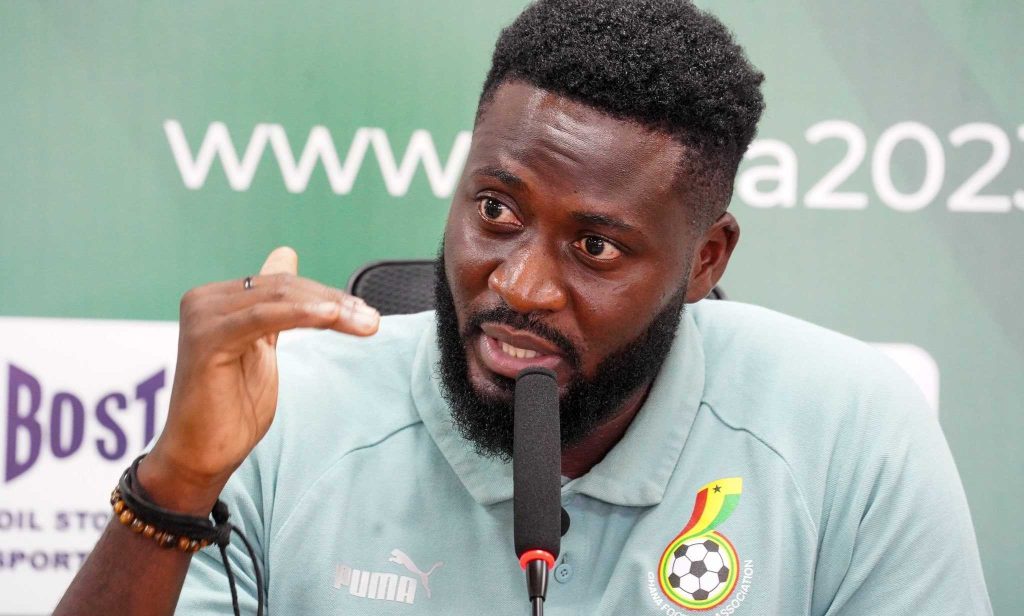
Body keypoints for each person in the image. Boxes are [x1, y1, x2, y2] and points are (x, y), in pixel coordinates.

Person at [56, 0, 991, 614]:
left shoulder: (850, 431)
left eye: (596, 247)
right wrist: (176, 484)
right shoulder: (288, 408)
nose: (519, 286)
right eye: (496, 211)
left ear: (704, 261)